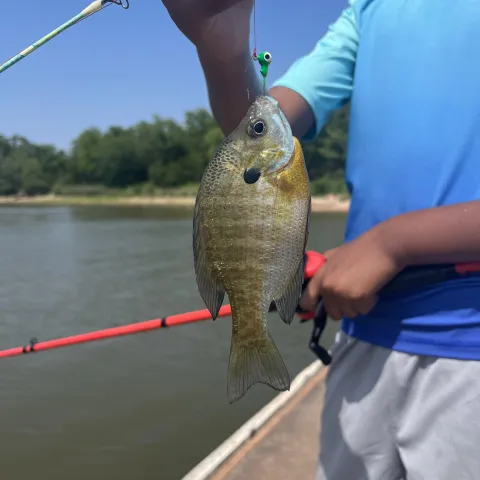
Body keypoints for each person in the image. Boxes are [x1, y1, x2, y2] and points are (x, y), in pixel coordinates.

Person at [162, 0, 480, 478]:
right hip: (364, 328)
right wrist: (221, 48)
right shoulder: (368, 11)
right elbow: (256, 130)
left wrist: (393, 244)